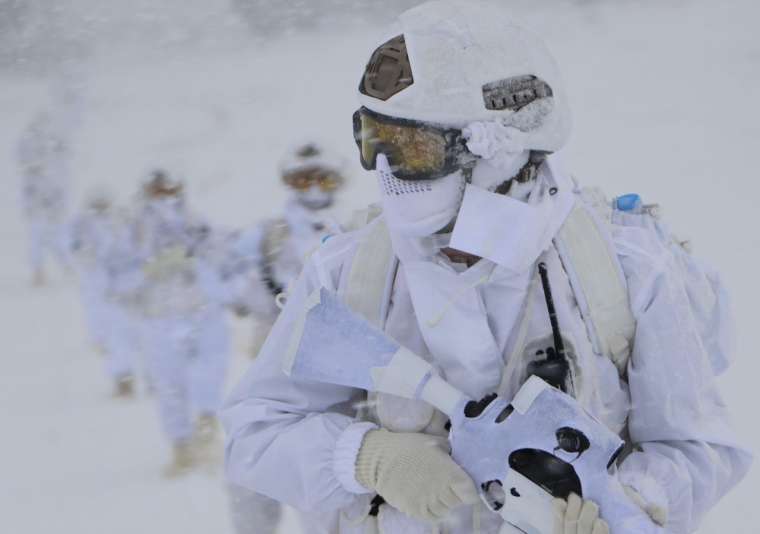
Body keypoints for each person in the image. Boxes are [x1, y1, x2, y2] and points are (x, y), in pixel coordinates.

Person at [222, 2, 751, 534]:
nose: (387, 170)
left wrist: (626, 503)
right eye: (374, 140)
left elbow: (698, 448)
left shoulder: (622, 269)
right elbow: (256, 431)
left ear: (497, 147)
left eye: (412, 149)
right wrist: (364, 456)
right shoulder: (353, 271)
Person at [135, 171, 231, 477]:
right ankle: (180, 445)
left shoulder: (197, 222)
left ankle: (206, 430)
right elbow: (115, 269)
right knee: (169, 383)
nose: (165, 196)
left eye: (170, 189)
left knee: (209, 372)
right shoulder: (134, 228)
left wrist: (195, 262)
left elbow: (219, 256)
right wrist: (150, 270)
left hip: (201, 311)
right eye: (158, 190)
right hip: (159, 316)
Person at [227, 142, 346, 356]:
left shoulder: (354, 229)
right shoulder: (266, 233)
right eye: (303, 180)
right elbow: (234, 280)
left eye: (324, 180)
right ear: (290, 182)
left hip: (338, 342)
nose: (314, 188)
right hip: (278, 339)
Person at [68, 188, 141, 396]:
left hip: (133, 288)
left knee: (139, 334)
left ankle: (150, 378)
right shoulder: (83, 224)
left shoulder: (123, 222)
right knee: (116, 334)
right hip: (105, 288)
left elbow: (138, 253)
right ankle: (123, 377)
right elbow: (74, 247)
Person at [17, 111, 72, 285]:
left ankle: (69, 269)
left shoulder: (51, 176)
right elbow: (26, 198)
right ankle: (38, 273)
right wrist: (30, 209)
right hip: (38, 216)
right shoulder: (30, 180)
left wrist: (55, 208)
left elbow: (58, 195)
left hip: (50, 215)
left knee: (58, 243)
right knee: (36, 245)